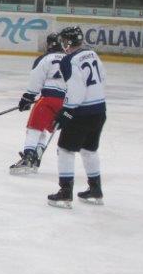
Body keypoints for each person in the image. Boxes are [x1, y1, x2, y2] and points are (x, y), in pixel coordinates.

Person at [48, 26, 106, 208]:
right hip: (99, 110)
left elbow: (76, 90)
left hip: (81, 113)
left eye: (63, 41)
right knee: (89, 150)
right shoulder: (92, 54)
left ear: (68, 42)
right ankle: (95, 190)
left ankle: (65, 193)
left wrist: (66, 111)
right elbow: (103, 77)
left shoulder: (69, 60)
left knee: (65, 150)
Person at [10, 32, 66, 175]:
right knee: (43, 127)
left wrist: (28, 97)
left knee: (34, 127)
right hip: (67, 103)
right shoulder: (71, 59)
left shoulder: (45, 59)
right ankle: (37, 155)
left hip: (48, 100)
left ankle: (28, 157)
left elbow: (36, 78)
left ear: (49, 44)